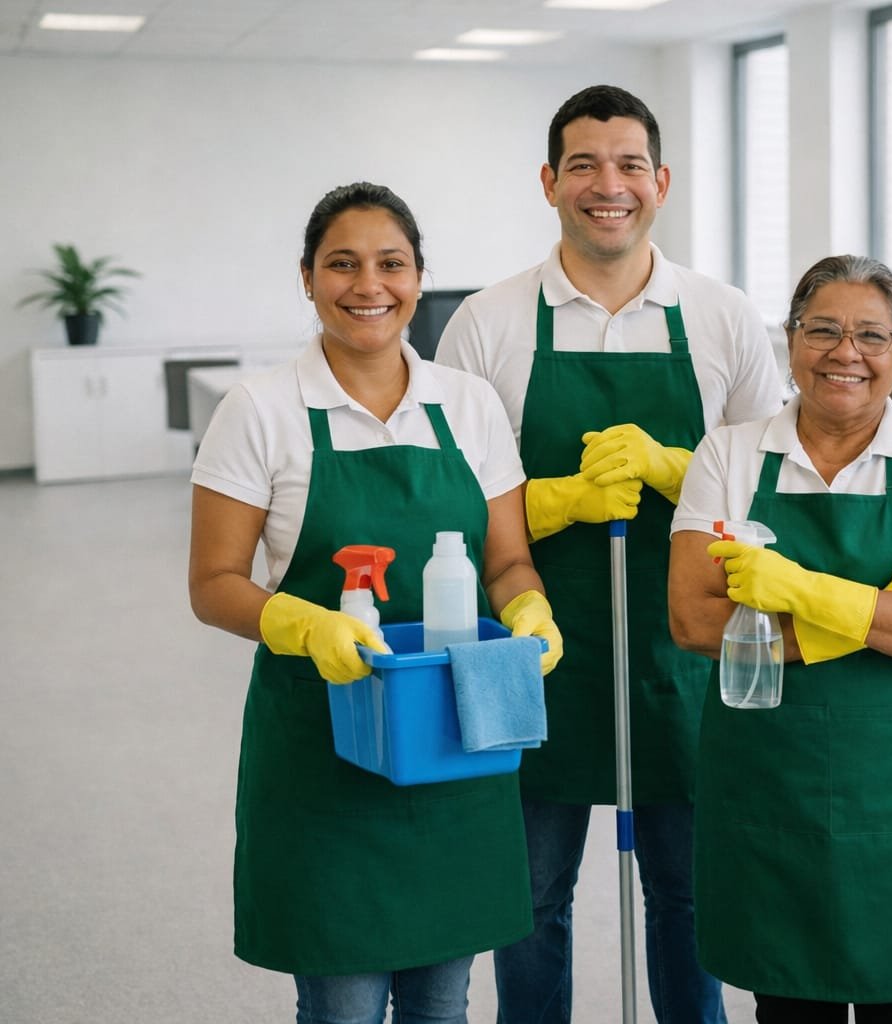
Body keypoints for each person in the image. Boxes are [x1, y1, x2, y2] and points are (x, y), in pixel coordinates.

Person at [434, 84, 782, 1023]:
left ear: (661, 181)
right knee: (531, 900)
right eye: (583, 165)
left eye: (629, 164)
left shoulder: (721, 317)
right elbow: (450, 501)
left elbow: (771, 500)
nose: (608, 185)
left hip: (679, 656)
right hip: (532, 647)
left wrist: (681, 470)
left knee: (688, 894)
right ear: (549, 182)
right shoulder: (486, 322)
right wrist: (560, 500)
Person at [188, 181, 564, 1024]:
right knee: (344, 1002)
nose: (369, 286)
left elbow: (506, 560)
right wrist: (298, 619)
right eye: (343, 264)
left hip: (452, 742)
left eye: (391, 264)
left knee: (442, 1001)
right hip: (325, 749)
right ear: (308, 278)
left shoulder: (467, 405)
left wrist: (530, 609)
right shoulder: (261, 410)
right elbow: (213, 584)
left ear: (420, 277)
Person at [669, 254, 892, 1024]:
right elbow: (692, 620)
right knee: (789, 1010)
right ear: (789, 339)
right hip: (768, 787)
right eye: (822, 330)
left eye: (870, 335)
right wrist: (879, 614)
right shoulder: (729, 454)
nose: (845, 353)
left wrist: (799, 595)